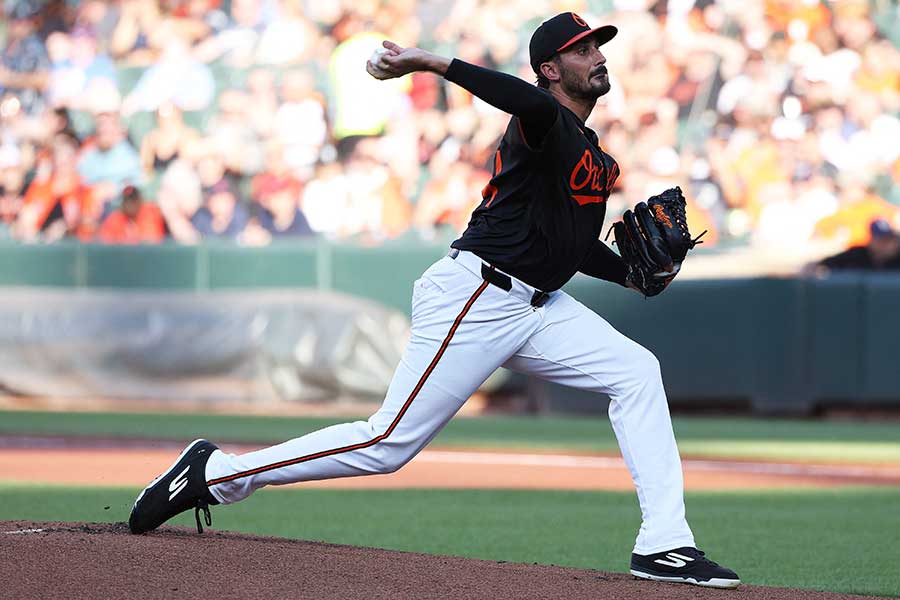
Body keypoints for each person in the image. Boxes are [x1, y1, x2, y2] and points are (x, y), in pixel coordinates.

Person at [128, 13, 740, 590]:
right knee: (385, 444)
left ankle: (665, 542)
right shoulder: (540, 121)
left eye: (596, 46)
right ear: (550, 70)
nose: (597, 56)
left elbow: (573, 246)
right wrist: (434, 63)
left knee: (636, 372)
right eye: (580, 50)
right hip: (479, 293)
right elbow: (527, 102)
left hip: (538, 305)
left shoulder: (590, 151)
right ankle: (216, 475)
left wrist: (634, 276)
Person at [817, 218, 900, 271]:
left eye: (889, 240)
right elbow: (825, 264)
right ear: (871, 241)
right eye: (881, 240)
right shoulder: (857, 254)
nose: (886, 245)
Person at [96, 184, 166, 244]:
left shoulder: (150, 213)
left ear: (140, 200)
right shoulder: (115, 218)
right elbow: (105, 242)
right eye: (127, 200)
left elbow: (151, 242)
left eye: (133, 200)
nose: (130, 204)